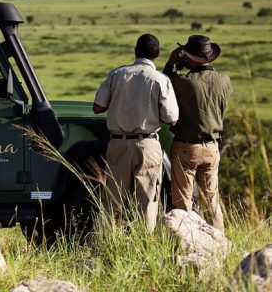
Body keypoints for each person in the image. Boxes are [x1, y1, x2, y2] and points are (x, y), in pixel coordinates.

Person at [93, 33, 179, 232]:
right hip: (147, 144)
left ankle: (107, 241)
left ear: (135, 51)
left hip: (118, 143)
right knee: (147, 200)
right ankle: (144, 245)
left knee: (112, 198)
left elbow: (97, 107)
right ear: (157, 54)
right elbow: (171, 118)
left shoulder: (116, 74)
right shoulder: (160, 79)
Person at [163, 35, 232, 232]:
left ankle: (189, 245)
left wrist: (172, 63)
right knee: (212, 202)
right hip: (212, 147)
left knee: (183, 204)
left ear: (190, 57)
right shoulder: (224, 80)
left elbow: (164, 83)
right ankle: (219, 241)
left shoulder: (184, 82)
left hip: (186, 147)